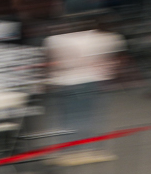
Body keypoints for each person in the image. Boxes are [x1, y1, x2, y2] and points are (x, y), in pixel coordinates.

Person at [42, 14, 124, 158]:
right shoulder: (107, 38)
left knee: (67, 117)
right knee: (88, 116)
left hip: (65, 82)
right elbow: (113, 60)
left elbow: (50, 62)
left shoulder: (54, 39)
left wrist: (48, 79)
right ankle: (87, 147)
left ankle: (68, 148)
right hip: (91, 81)